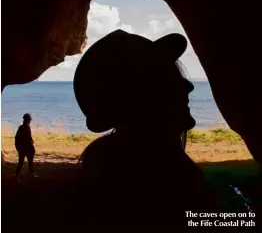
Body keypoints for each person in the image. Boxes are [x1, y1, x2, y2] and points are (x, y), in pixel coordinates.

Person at [73, 30, 221, 228]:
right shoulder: (172, 185)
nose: (187, 86)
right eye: (166, 76)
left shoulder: (107, 177)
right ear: (139, 97)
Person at [15, 113, 38, 182]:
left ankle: (31, 174)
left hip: (27, 148)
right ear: (26, 120)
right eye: (29, 120)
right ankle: (17, 176)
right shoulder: (21, 128)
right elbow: (17, 138)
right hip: (22, 148)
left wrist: (31, 141)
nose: (30, 121)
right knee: (21, 162)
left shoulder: (28, 127)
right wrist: (18, 148)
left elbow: (29, 137)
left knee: (30, 161)